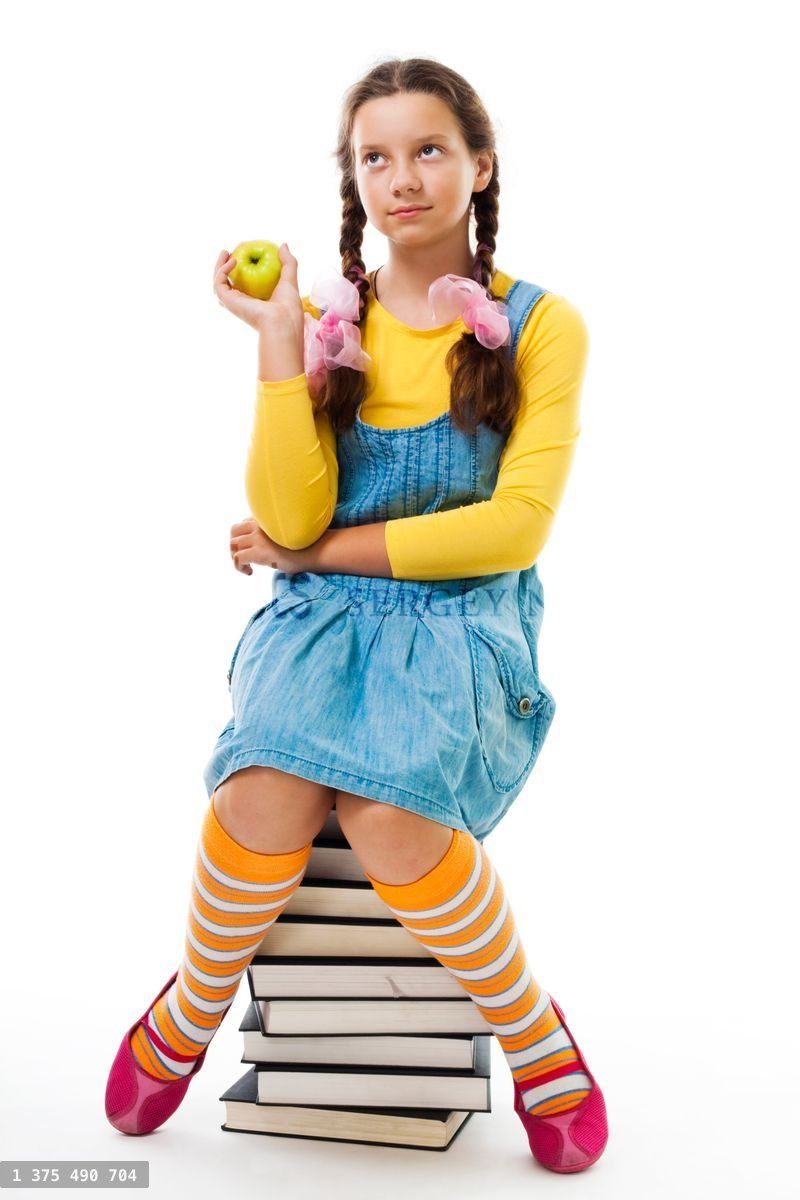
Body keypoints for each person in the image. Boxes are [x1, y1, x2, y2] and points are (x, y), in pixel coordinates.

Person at [104, 57, 608, 1173]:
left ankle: (532, 1034)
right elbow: (286, 508)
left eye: (428, 149)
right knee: (261, 797)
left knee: (388, 819)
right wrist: (278, 342)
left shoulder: (539, 326)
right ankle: (191, 1005)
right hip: (321, 621)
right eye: (373, 157)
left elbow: (511, 529)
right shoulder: (335, 321)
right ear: (353, 181)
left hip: (460, 623)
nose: (402, 178)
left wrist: (310, 550)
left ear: (478, 164)